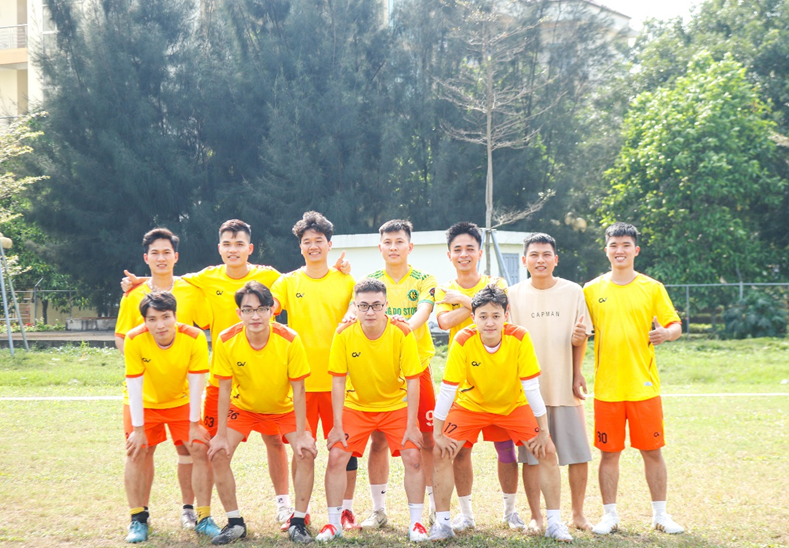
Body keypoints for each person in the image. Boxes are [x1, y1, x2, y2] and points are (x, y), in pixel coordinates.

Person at [123, 219, 347, 523]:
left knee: (273, 442)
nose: (233, 250)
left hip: (268, 372)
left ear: (249, 248)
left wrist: (339, 270)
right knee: (213, 448)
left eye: (239, 244)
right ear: (219, 248)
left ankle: (284, 504)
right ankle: (208, 514)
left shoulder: (268, 275)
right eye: (227, 244)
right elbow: (167, 278)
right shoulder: (205, 278)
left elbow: (304, 276)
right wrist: (140, 280)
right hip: (223, 377)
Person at [428, 285, 567, 541]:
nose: (489, 322)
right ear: (473, 317)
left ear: (506, 314)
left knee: (547, 450)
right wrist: (437, 432)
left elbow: (532, 388)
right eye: (483, 316)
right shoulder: (463, 340)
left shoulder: (520, 337)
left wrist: (543, 432)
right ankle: (443, 523)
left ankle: (555, 523)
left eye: (495, 315)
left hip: (513, 405)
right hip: (471, 405)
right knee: (441, 451)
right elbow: (448, 390)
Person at [583, 222, 684, 535]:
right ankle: (609, 516)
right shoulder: (591, 289)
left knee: (652, 452)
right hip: (607, 389)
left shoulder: (652, 288)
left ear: (636, 250)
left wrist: (666, 333)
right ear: (606, 250)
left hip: (644, 388)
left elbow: (675, 325)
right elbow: (579, 332)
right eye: (614, 245)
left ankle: (660, 515)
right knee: (608, 454)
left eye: (626, 245)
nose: (620, 250)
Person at [315, 278, 428, 542]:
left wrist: (412, 424)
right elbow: (338, 380)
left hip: (394, 405)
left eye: (376, 305)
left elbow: (413, 380)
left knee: (413, 456)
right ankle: (333, 523)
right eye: (363, 306)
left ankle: (417, 523)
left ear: (386, 305)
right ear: (354, 306)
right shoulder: (343, 334)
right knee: (336, 457)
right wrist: (337, 424)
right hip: (357, 407)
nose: (370, 312)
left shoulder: (401, 331)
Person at [115, 228, 211, 530]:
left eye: (166, 252)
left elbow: (207, 324)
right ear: (146, 258)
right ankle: (138, 519)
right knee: (139, 450)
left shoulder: (192, 289)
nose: (161, 257)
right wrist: (149, 361)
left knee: (192, 448)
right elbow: (123, 339)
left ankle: (191, 510)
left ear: (176, 257)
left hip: (182, 392)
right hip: (145, 392)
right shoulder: (134, 294)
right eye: (154, 253)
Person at [208, 282, 317, 544]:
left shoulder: (290, 339)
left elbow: (299, 389)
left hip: (284, 408)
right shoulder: (225, 339)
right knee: (218, 454)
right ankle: (234, 523)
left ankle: (298, 522)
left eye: (261, 309)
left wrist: (302, 434)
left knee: (305, 452)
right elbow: (223, 390)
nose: (255, 316)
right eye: (248, 310)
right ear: (239, 314)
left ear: (272, 311)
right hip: (244, 408)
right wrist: (220, 434)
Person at [271, 212, 356, 530]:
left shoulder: (346, 281)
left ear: (329, 244)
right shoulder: (288, 281)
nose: (313, 246)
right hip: (300, 385)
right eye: (307, 241)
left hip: (340, 382)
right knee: (302, 451)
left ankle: (346, 511)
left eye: (319, 240)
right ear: (300, 247)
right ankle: (300, 512)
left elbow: (360, 310)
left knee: (344, 450)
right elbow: (271, 306)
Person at [504, 233, 593, 534]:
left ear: (556, 259)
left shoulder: (573, 291)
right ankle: (536, 517)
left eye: (546, 255)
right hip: (529, 392)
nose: (540, 260)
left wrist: (577, 372)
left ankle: (578, 514)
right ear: (524, 260)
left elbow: (580, 337)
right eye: (534, 255)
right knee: (531, 457)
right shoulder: (513, 294)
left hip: (564, 386)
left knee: (578, 454)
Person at [355, 220, 438, 529]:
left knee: (426, 438)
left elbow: (424, 312)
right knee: (378, 440)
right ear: (380, 247)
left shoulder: (424, 278)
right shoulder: (370, 280)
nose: (393, 247)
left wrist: (401, 330)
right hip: (382, 370)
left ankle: (432, 505)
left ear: (409, 246)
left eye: (399, 241)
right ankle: (378, 510)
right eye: (387, 242)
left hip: (417, 368)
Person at [122, 291, 218, 543]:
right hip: (144, 402)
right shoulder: (134, 338)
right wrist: (139, 429)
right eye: (152, 319)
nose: (160, 324)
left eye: (166, 317)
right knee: (138, 450)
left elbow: (197, 382)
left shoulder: (194, 336)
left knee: (199, 448)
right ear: (145, 321)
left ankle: (204, 517)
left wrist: (195, 424)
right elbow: (133, 383)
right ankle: (138, 519)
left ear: (175, 315)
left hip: (182, 401)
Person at [434, 221, 508, 532]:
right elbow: (444, 320)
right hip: (463, 384)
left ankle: (511, 511)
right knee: (460, 450)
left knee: (506, 449)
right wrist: (484, 305)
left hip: (502, 379)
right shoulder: (443, 288)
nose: (464, 254)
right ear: (449, 254)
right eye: (458, 249)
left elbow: (506, 314)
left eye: (469, 249)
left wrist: (465, 300)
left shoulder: (498, 281)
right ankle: (466, 514)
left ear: (479, 252)